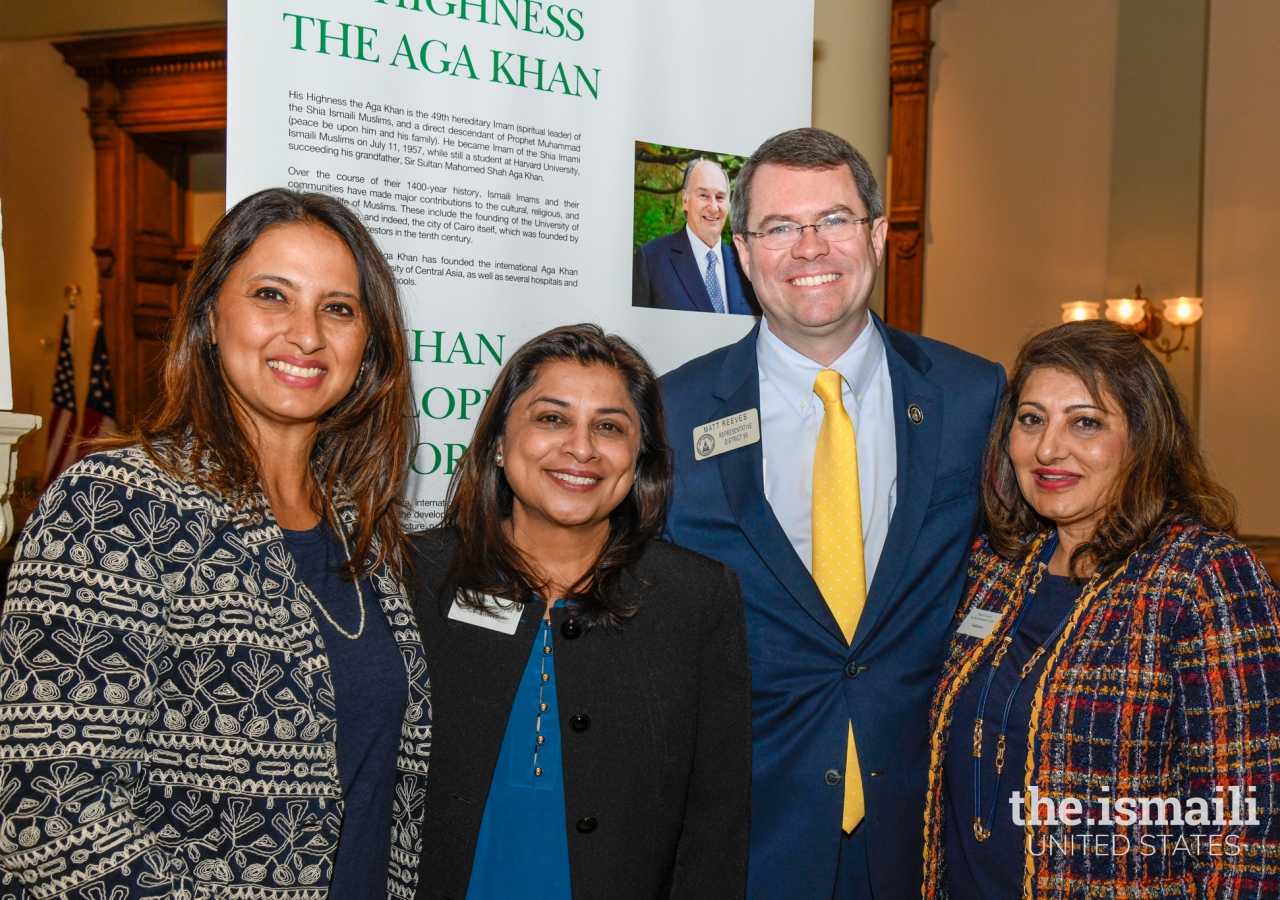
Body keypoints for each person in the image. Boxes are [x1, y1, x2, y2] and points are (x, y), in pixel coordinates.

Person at [0, 189, 432, 899]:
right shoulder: (115, 505)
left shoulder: (363, 529)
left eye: (339, 308)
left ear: (370, 344)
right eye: (272, 295)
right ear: (209, 316)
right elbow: (52, 817)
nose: (307, 334)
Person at [660, 127, 1005, 900]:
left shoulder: (974, 395)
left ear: (877, 235)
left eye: (835, 221)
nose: (810, 248)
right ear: (743, 254)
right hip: (745, 831)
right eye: (781, 227)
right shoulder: (670, 414)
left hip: (927, 832)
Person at [924, 320, 1280, 899]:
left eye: (1085, 422)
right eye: (1031, 419)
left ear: (1143, 439)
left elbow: (1252, 823)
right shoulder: (995, 566)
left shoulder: (1201, 577)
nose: (1047, 448)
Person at [410, 324, 752, 900]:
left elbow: (715, 824)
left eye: (610, 427)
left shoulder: (696, 599)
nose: (582, 448)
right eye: (551, 418)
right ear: (498, 440)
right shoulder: (411, 576)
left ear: (638, 459)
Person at [633, 158, 759, 315]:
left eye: (720, 197)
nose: (713, 208)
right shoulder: (650, 261)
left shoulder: (746, 263)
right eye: (704, 195)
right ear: (685, 200)